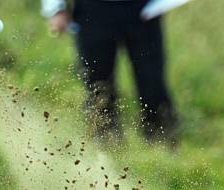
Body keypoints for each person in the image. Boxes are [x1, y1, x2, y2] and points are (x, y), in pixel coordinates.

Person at [41, 0, 178, 147]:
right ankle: (106, 148)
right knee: (98, 86)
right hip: (92, 11)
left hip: (142, 9)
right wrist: (55, 8)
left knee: (152, 83)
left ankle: (162, 145)